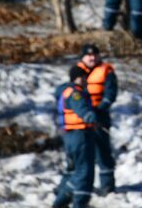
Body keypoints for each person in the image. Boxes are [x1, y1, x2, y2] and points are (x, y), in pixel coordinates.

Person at [72, 43, 117, 195]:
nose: (92, 57)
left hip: (100, 116)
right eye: (88, 55)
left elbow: (110, 94)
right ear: (82, 57)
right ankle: (78, 186)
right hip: (80, 119)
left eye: (95, 54)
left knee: (102, 150)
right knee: (81, 153)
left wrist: (99, 110)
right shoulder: (76, 72)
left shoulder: (106, 71)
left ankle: (107, 185)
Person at [53, 67, 96, 208]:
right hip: (80, 136)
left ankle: (61, 200)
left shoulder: (66, 91)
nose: (85, 80)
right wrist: (90, 116)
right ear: (76, 78)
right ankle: (80, 203)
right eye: (83, 77)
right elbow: (81, 108)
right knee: (84, 171)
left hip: (70, 137)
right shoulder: (75, 93)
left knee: (73, 170)